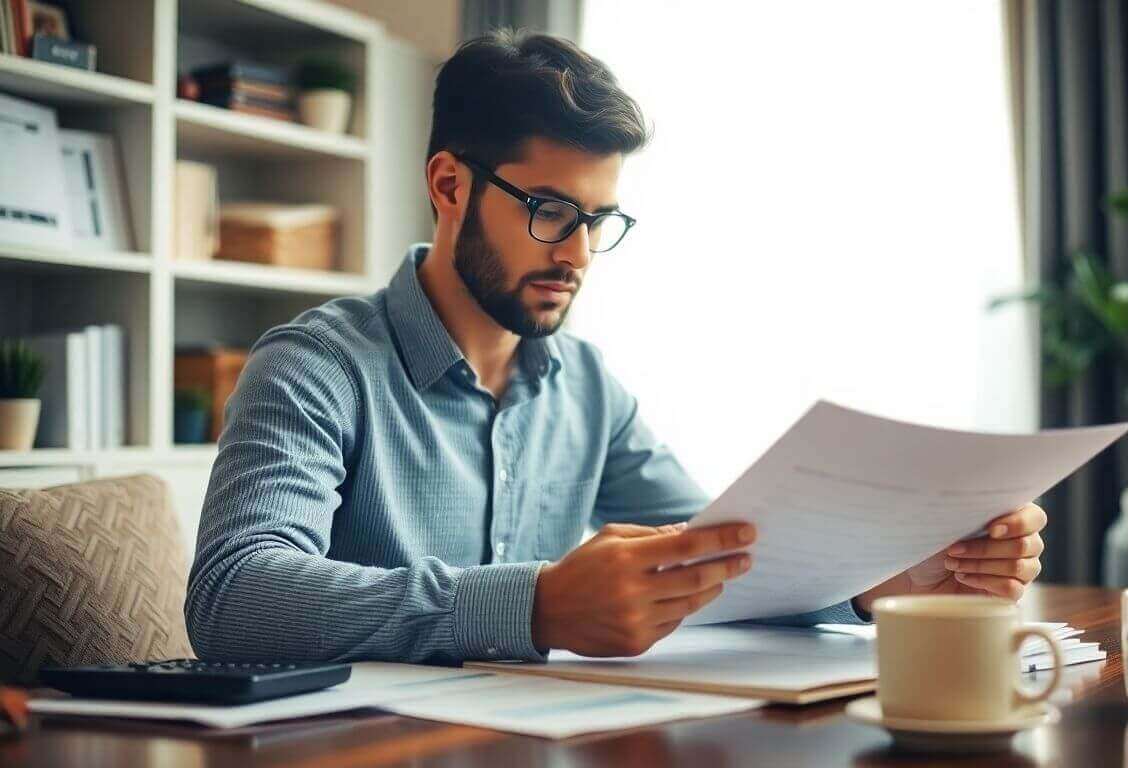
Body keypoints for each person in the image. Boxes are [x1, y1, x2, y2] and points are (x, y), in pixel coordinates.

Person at [185, 30, 1046, 664]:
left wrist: (885, 581)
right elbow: (233, 597)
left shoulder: (586, 385)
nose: (579, 254)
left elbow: (727, 560)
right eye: (551, 212)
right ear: (449, 185)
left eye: (599, 221)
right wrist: (534, 604)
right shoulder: (313, 367)